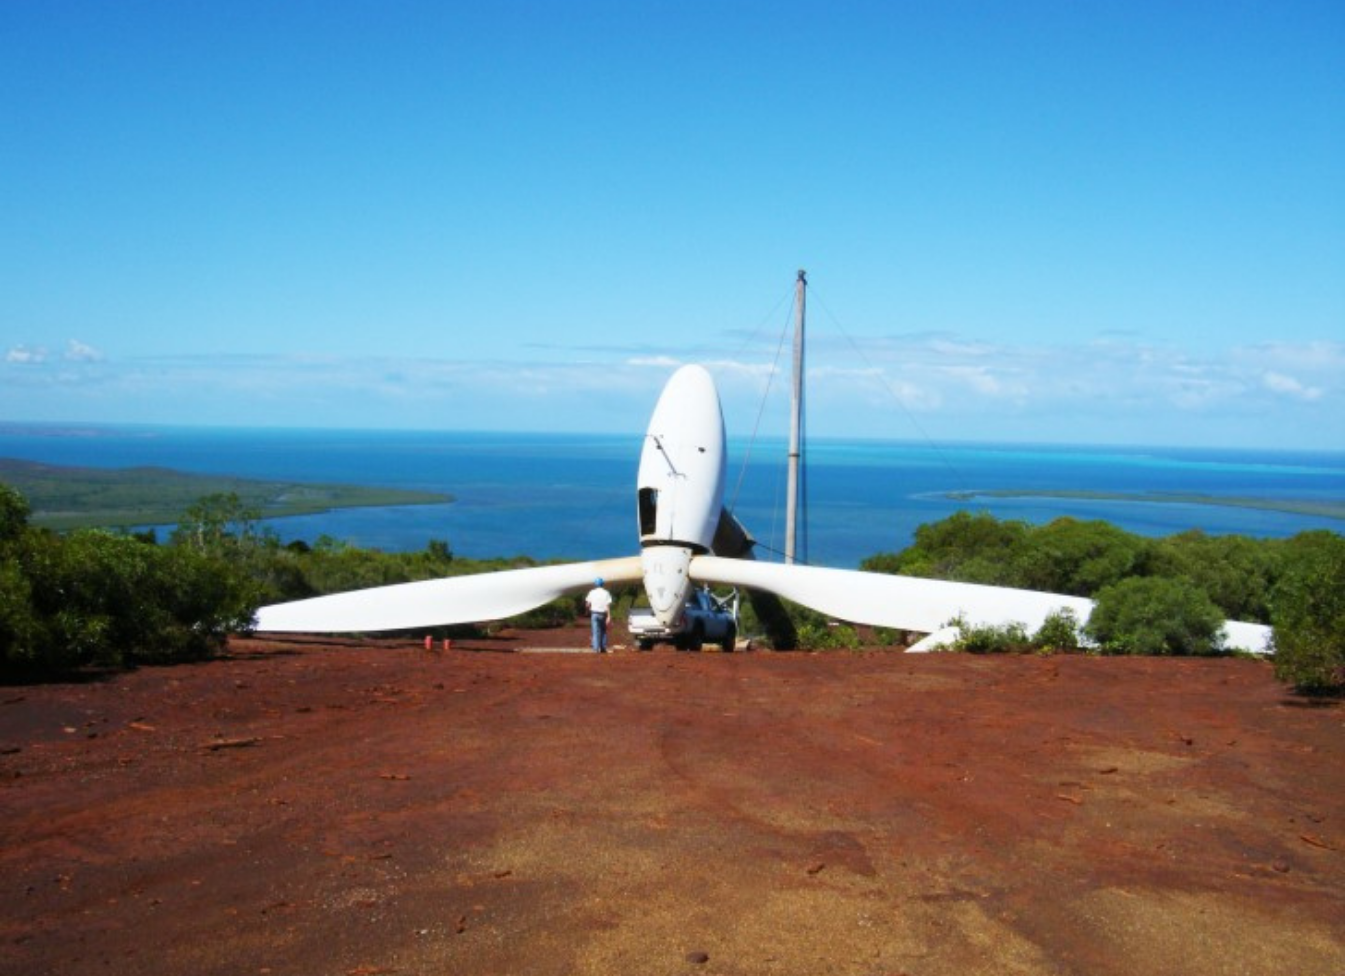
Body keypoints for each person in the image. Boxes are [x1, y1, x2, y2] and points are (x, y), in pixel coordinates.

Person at [584, 577, 613, 653]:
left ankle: (596, 649)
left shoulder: (591, 592)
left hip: (594, 614)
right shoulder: (606, 593)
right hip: (603, 614)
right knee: (603, 631)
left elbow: (587, 604)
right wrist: (609, 616)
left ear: (595, 584)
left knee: (595, 632)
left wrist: (588, 610)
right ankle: (603, 648)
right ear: (602, 584)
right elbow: (607, 605)